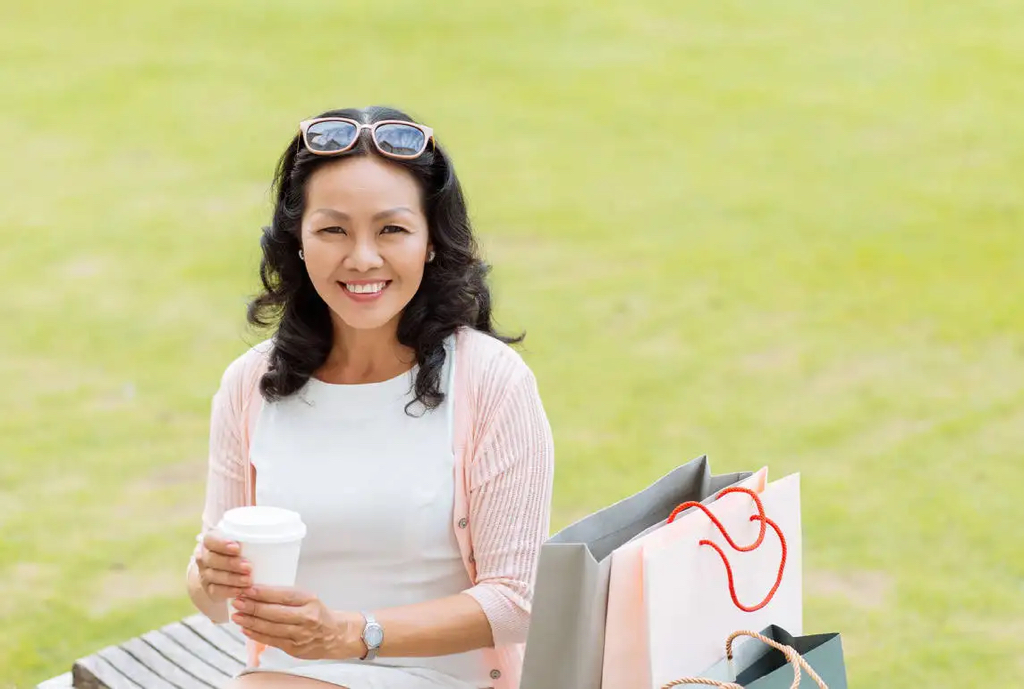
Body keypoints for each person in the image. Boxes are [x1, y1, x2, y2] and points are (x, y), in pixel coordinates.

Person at [185, 105, 555, 689]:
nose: (362, 258)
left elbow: (518, 601)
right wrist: (209, 576)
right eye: (333, 229)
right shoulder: (250, 385)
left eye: (392, 229)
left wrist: (353, 634)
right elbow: (212, 601)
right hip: (287, 676)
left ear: (432, 241)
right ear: (298, 242)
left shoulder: (491, 382)